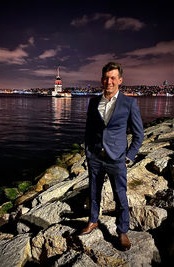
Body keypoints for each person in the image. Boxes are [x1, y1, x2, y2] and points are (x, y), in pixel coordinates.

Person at [80, 62, 144, 251]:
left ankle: (122, 231)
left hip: (117, 158)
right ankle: (93, 221)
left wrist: (129, 156)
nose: (109, 81)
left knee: (120, 195)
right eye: (106, 78)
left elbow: (139, 134)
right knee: (93, 191)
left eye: (113, 78)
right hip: (95, 157)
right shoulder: (93, 102)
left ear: (120, 80)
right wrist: (88, 152)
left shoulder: (129, 103)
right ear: (102, 79)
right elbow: (89, 130)